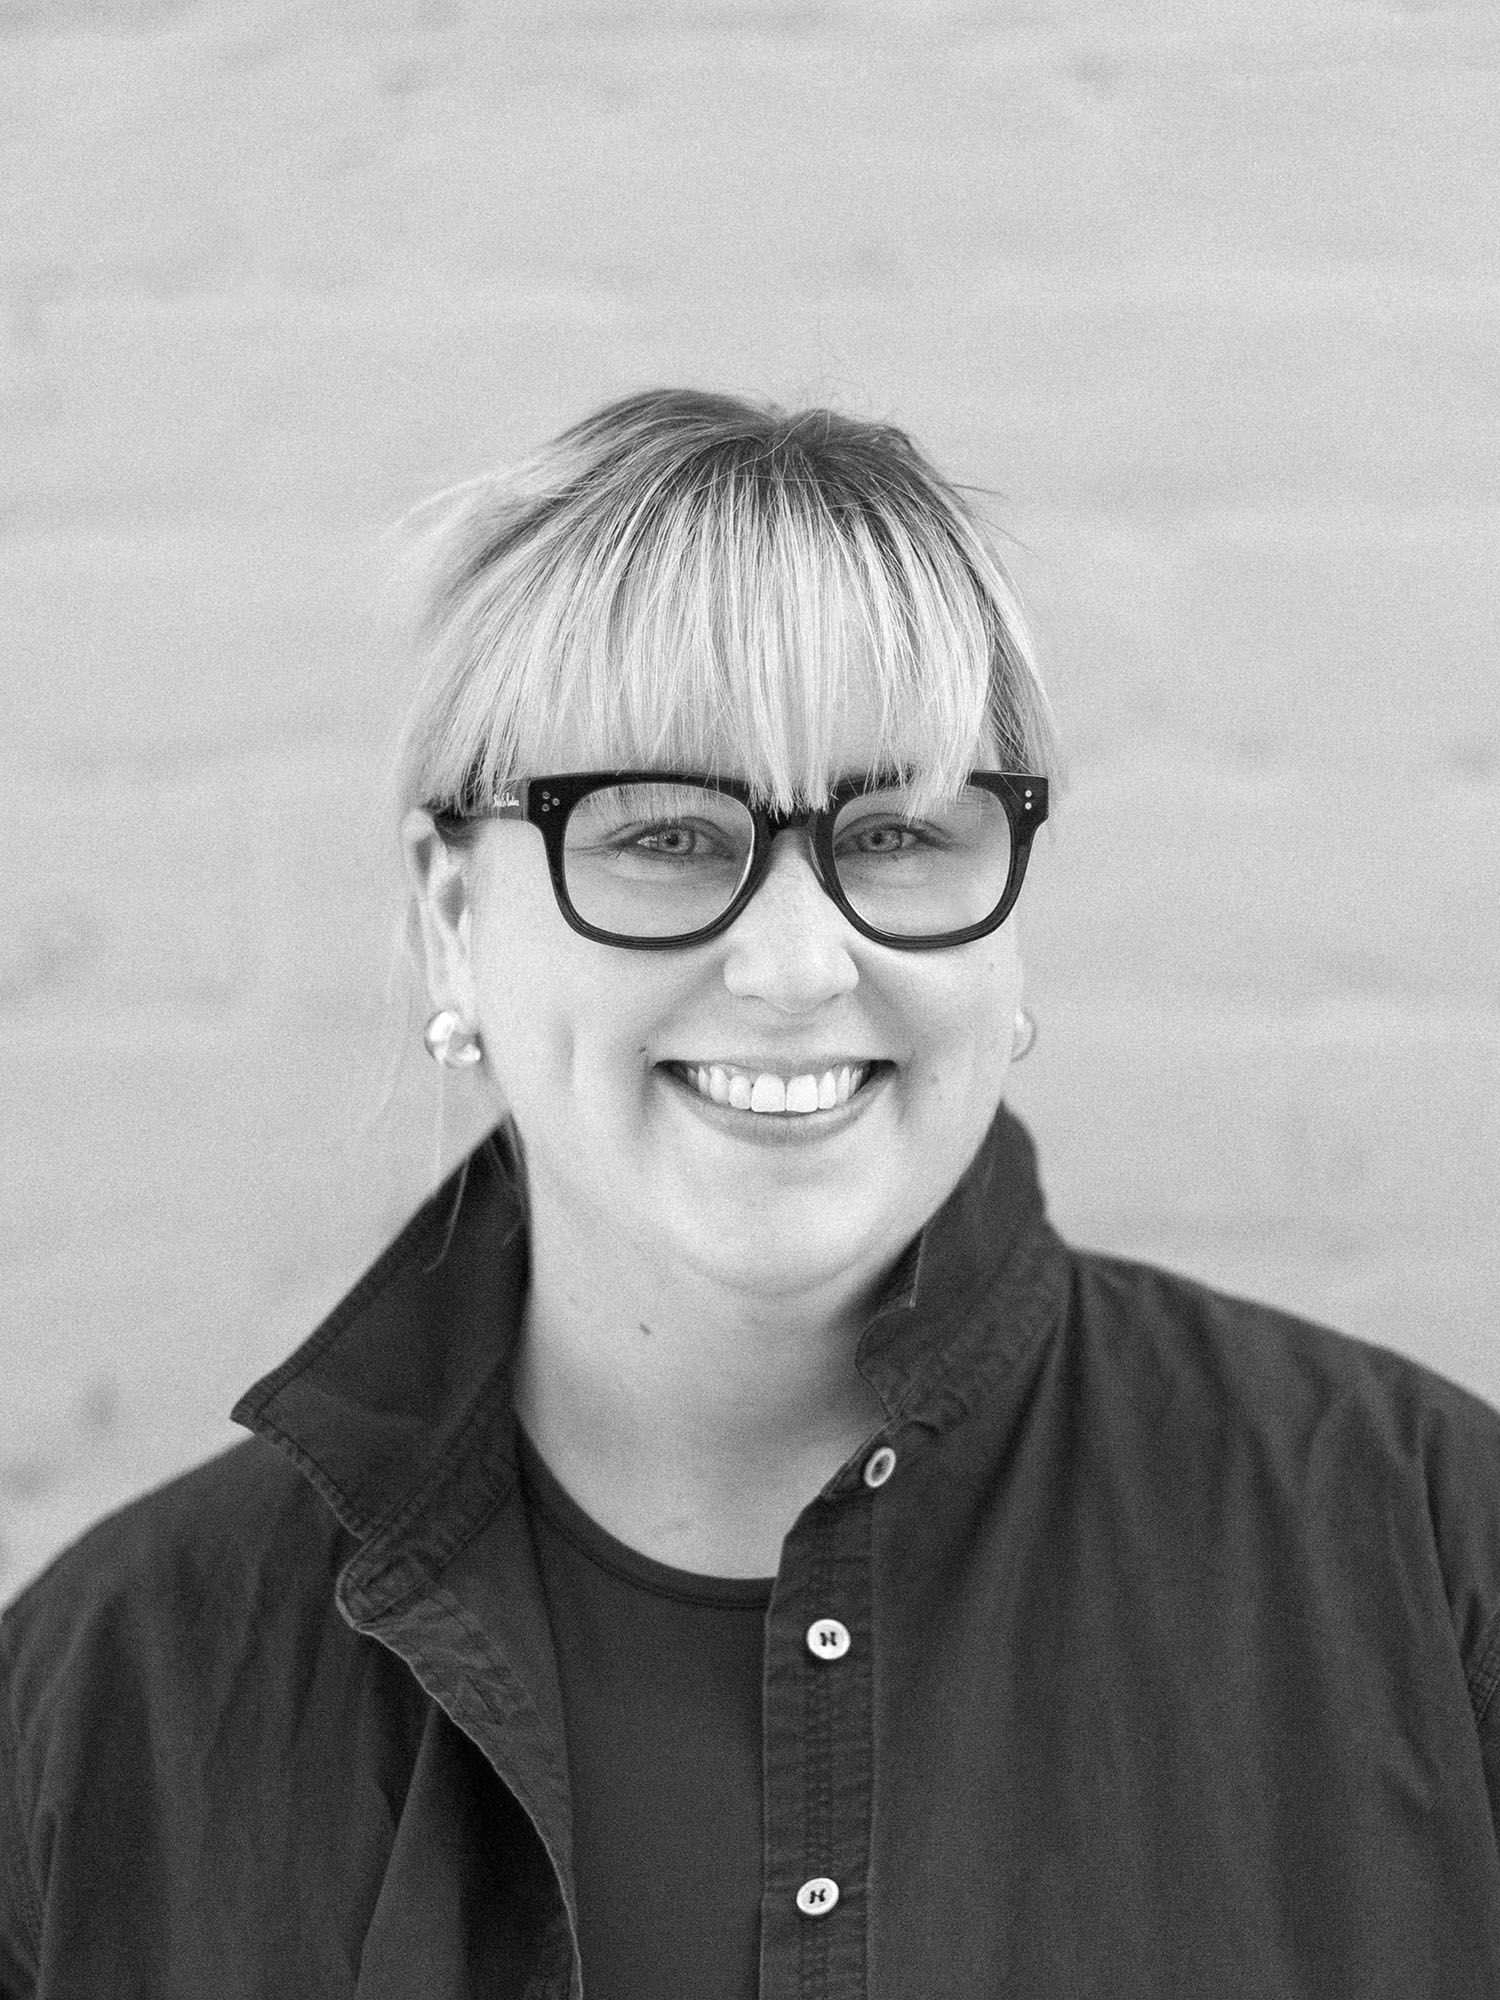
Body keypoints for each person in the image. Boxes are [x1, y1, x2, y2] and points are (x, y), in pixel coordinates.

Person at [3, 389, 1500, 1999]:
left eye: (900, 831)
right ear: (452, 920)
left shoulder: (1427, 1560)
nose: (794, 965)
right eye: (663, 834)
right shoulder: (113, 1704)